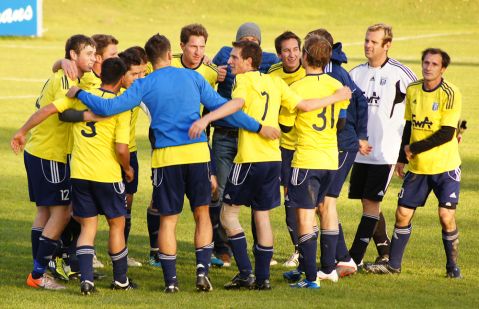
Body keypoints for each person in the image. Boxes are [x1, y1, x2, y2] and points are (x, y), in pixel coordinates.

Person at [66, 34, 280, 293]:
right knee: (202, 214)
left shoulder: (143, 84)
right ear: (170, 55)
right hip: (198, 155)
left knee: (168, 220)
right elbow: (226, 109)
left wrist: (79, 93)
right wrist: (258, 127)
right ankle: (202, 273)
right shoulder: (193, 77)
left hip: (167, 159)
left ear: (150, 60)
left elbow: (108, 107)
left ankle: (171, 282)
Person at [193, 40, 351, 290]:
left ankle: (246, 273)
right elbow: (306, 106)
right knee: (262, 216)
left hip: (249, 159)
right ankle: (263, 278)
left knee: (227, 215)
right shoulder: (275, 82)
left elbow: (236, 105)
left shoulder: (243, 81)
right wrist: (336, 96)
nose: (230, 62)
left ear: (248, 62)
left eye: (235, 58)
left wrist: (207, 119)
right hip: (273, 160)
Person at [12, 55, 139, 295]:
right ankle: (121, 279)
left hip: (79, 173)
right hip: (107, 175)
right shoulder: (120, 106)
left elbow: (52, 110)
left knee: (88, 226)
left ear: (102, 74)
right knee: (116, 224)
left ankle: (86, 281)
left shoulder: (82, 96)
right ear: (122, 78)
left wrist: (22, 130)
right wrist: (128, 169)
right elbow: (122, 148)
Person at [365, 48, 463, 278]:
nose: (428, 67)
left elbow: (447, 133)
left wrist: (413, 148)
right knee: (402, 214)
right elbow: (409, 125)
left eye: (434, 64)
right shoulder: (413, 89)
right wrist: (402, 158)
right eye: (426, 62)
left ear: (443, 69)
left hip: (445, 167)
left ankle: (452, 267)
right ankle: (393, 265)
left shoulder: (450, 93)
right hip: (418, 168)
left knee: (445, 216)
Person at [10, 34, 96, 291]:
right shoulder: (65, 80)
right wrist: (22, 131)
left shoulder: (79, 76)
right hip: (49, 155)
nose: (94, 58)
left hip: (44, 153)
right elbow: (49, 111)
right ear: (74, 55)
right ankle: (38, 274)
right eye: (89, 54)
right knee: (62, 212)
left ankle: (41, 269)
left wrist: (58, 60)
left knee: (45, 212)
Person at [210, 22, 280, 267]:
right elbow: (207, 67)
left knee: (252, 203)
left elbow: (287, 65)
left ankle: (255, 258)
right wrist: (214, 71)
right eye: (245, 40)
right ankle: (223, 249)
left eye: (254, 41)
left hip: (251, 141)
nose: (250, 44)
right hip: (225, 136)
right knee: (221, 193)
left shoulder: (267, 63)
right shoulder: (224, 55)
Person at [283, 35, 349, 288]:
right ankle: (327, 269)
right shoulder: (337, 85)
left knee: (304, 218)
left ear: (305, 56)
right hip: (331, 158)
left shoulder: (296, 89)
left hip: (307, 159)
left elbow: (286, 125)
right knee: (328, 209)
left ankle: (311, 278)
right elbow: (341, 123)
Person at [348, 23, 416, 266]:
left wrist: (404, 153)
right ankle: (384, 250)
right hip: (359, 152)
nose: (368, 45)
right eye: (366, 40)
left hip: (385, 151)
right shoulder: (355, 74)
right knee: (367, 201)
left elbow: (420, 104)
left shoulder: (401, 74)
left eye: (374, 42)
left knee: (370, 201)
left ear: (387, 45)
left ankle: (352, 258)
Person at [267, 30, 306, 267]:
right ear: (279, 54)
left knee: (314, 204)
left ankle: (321, 250)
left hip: (306, 147)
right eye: (286, 51)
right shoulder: (272, 73)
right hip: (283, 147)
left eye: (295, 49)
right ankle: (299, 250)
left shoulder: (309, 71)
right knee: (289, 200)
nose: (291, 55)